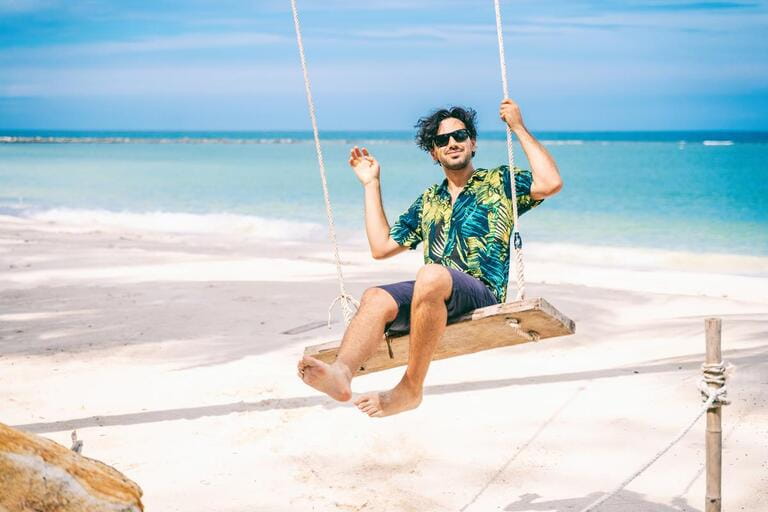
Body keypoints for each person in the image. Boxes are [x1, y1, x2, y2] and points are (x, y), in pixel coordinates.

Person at [297, 99, 563, 417]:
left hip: (480, 293)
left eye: (460, 135)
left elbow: (550, 183)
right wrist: (372, 184)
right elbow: (381, 247)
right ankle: (341, 373)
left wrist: (518, 126)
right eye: (442, 140)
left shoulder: (498, 183)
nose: (452, 142)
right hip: (432, 296)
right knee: (375, 297)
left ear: (473, 142)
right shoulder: (428, 201)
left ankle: (411, 387)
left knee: (431, 274)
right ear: (434, 153)